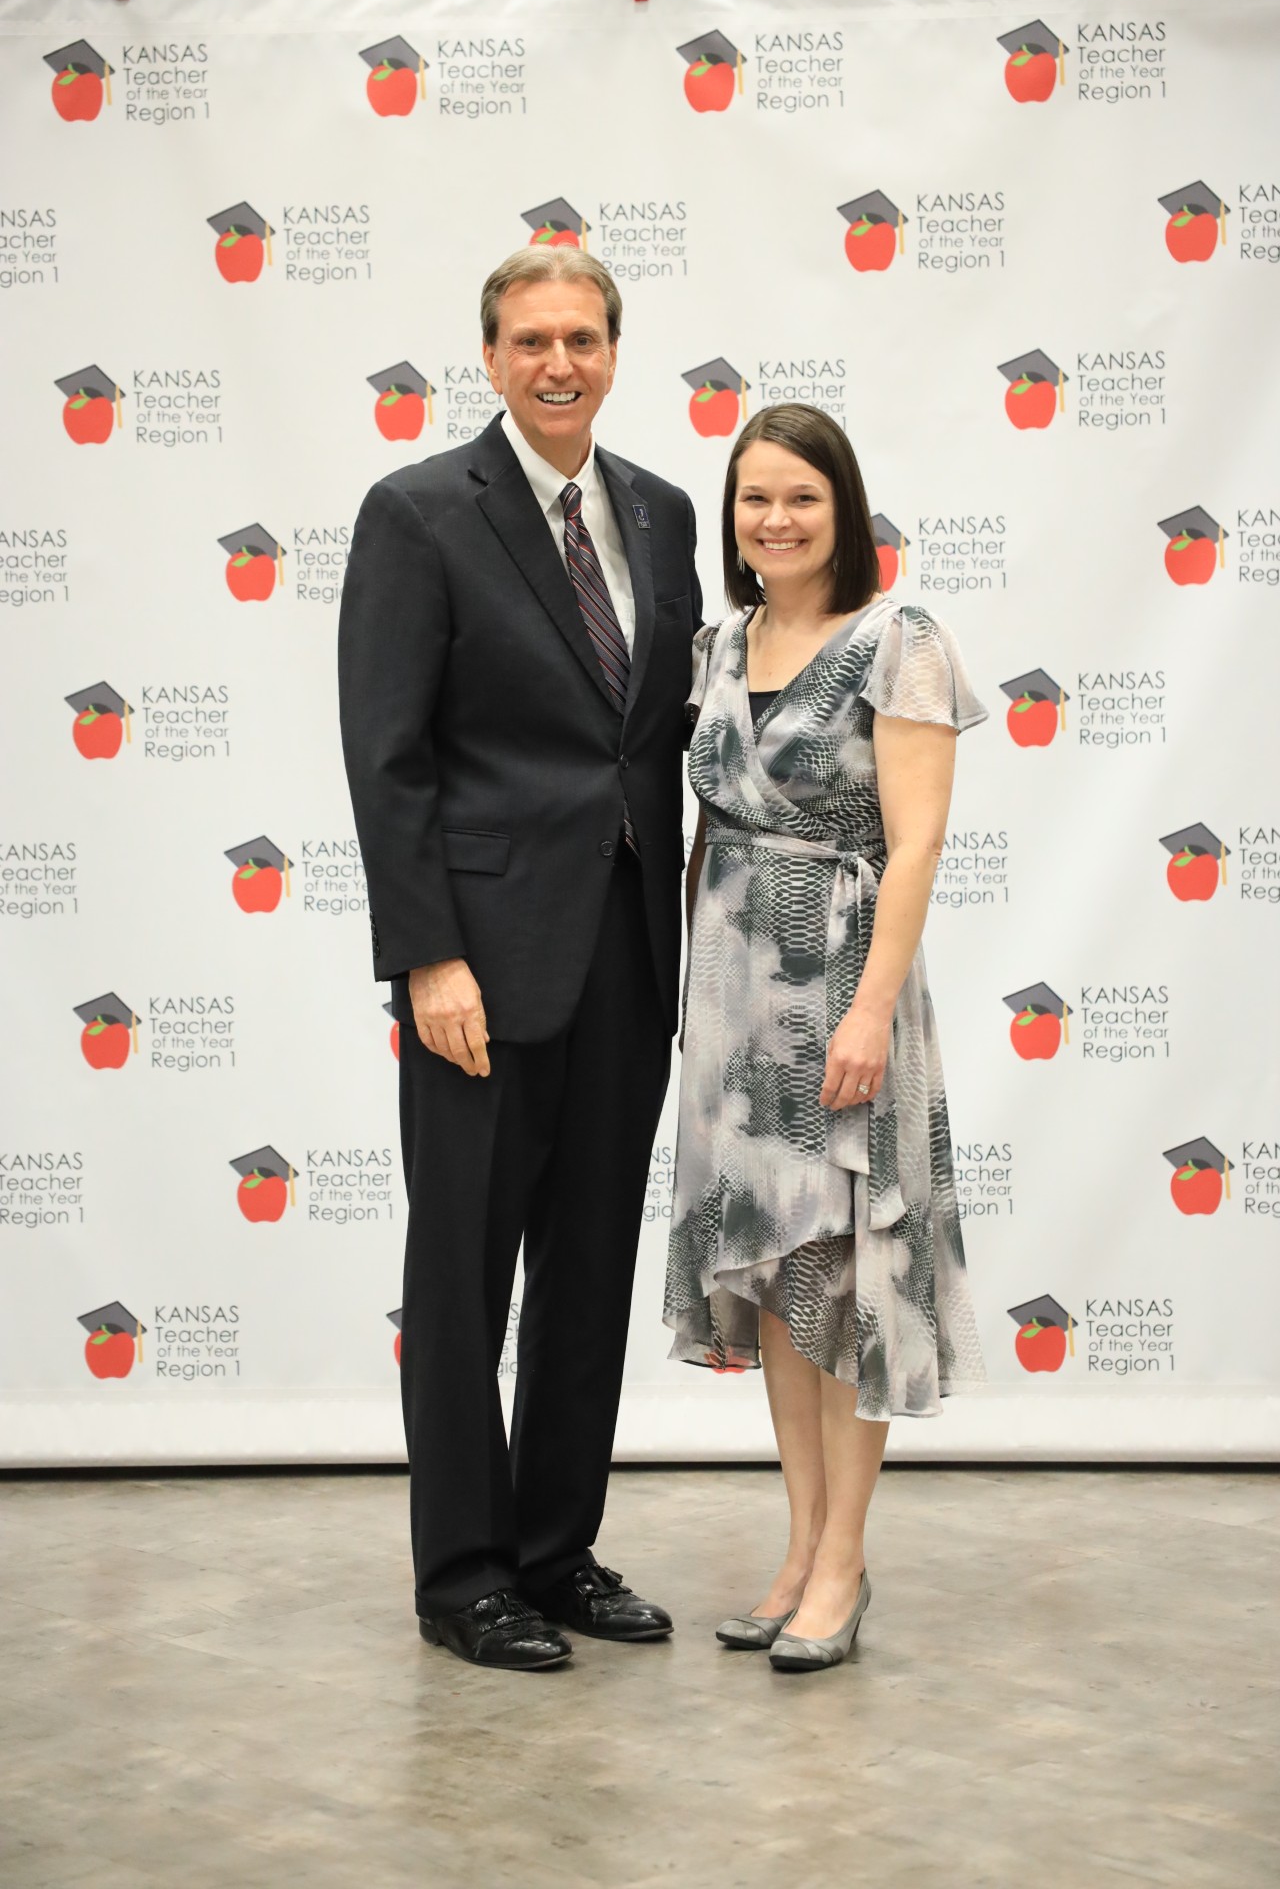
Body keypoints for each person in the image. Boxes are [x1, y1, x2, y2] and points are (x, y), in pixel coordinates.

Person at [339, 247, 701, 1670]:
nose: (561, 363)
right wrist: (428, 960)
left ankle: (556, 1551)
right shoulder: (420, 513)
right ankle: (465, 1574)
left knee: (589, 1269)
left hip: (627, 952)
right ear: (488, 357)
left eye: (585, 337)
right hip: (479, 970)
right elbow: (389, 758)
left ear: (617, 351)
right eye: (533, 339)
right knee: (463, 1278)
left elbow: (660, 735)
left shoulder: (666, 516)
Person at [665, 403, 986, 1673]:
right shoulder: (717, 641)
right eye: (753, 499)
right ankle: (797, 1550)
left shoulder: (896, 638)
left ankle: (844, 1565)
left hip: (844, 995)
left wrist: (864, 1011)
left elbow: (913, 844)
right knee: (776, 1280)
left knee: (846, 1281)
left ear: (841, 508)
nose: (775, 519)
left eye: (800, 495)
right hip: (732, 1012)